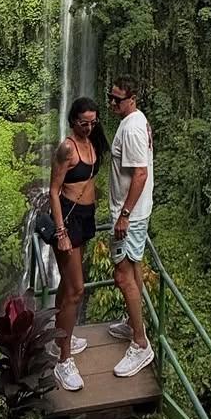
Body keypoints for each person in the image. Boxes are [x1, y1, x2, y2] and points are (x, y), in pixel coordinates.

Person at [48, 96, 109, 392]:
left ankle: (61, 336)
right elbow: (53, 190)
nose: (88, 127)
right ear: (72, 120)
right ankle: (63, 360)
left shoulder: (92, 143)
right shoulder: (67, 148)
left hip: (86, 218)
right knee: (76, 289)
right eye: (83, 123)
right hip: (68, 221)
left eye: (92, 122)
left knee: (66, 285)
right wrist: (60, 232)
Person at [105, 76, 155, 378]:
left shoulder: (133, 127)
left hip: (130, 216)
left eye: (117, 99)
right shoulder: (134, 121)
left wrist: (123, 214)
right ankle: (134, 323)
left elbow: (140, 174)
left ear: (132, 98)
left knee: (123, 277)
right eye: (110, 97)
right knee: (133, 268)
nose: (112, 103)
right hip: (136, 212)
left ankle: (140, 344)